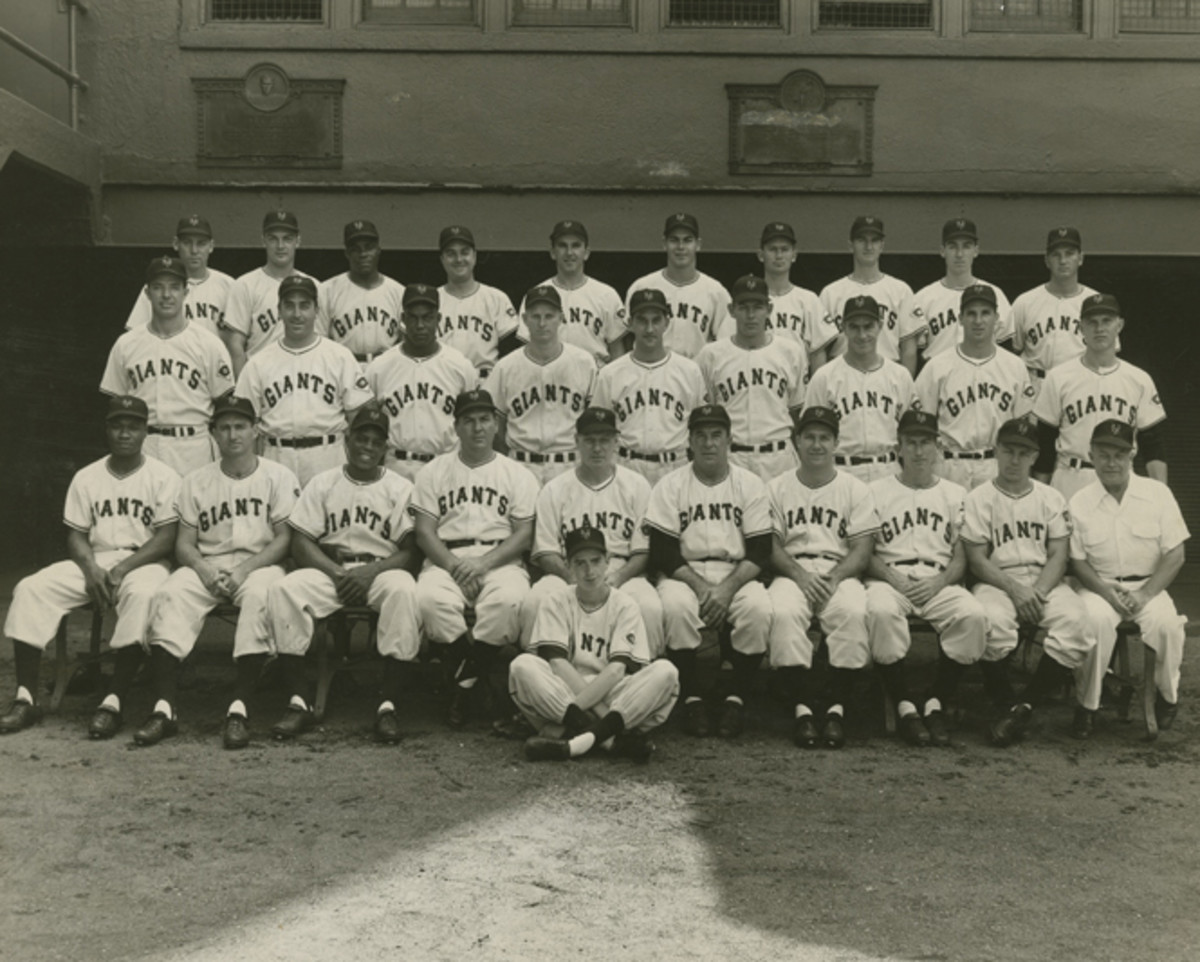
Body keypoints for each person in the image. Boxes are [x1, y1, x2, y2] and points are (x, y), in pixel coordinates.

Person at [0, 397, 178, 737]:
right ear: (107, 429)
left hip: (144, 561)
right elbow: (76, 536)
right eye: (117, 425)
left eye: (133, 426)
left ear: (145, 432)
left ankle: (113, 702)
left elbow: (166, 538)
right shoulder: (87, 477)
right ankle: (25, 699)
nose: (124, 433)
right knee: (30, 588)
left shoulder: (164, 476)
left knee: (142, 595)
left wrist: (123, 568)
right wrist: (89, 568)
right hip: (96, 559)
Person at [133, 396, 298, 749]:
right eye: (224, 427)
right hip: (207, 564)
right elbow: (184, 544)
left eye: (240, 426)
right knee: (170, 593)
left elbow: (284, 540)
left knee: (260, 595)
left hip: (260, 565)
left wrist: (244, 570)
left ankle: (239, 708)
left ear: (256, 431)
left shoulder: (278, 476)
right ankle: (164, 708)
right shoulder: (195, 480)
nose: (233, 434)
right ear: (213, 434)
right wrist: (205, 571)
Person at [265, 406, 421, 744]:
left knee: (405, 592)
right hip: (330, 570)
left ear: (385, 449)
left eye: (375, 442)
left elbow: (411, 552)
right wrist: (336, 573)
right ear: (347, 441)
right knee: (285, 589)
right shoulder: (323, 483)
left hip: (381, 570)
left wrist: (370, 573)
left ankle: (388, 704)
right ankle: (298, 700)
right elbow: (301, 542)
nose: (367, 447)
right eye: (360, 438)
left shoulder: (400, 487)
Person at [961, 418, 1094, 746]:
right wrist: (1016, 590)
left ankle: (1023, 705)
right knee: (988, 621)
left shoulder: (1051, 497)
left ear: (1035, 457)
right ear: (996, 451)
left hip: (1043, 582)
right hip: (997, 581)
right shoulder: (978, 498)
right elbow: (977, 559)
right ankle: (1006, 701)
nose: (1015, 459)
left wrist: (1037, 592)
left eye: (1024, 452)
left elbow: (1059, 555)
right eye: (1008, 451)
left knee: (1077, 622)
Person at [644, 404, 773, 739]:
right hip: (685, 572)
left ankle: (736, 696)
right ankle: (692, 696)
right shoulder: (670, 485)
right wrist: (702, 588)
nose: (709, 443)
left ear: (730, 439)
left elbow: (761, 550)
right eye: (700, 435)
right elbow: (662, 550)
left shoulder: (750, 484)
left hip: (737, 572)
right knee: (674, 606)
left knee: (758, 609)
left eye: (716, 435)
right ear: (689, 441)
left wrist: (726, 589)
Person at [411, 389, 537, 727]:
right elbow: (424, 532)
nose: (477, 428)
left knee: (510, 601)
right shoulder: (434, 471)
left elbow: (523, 534)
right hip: (446, 558)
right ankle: (477, 679)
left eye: (484, 419)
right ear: (456, 427)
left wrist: (482, 564)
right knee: (428, 599)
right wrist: (456, 567)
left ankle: (463, 686)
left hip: (499, 559)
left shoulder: (517, 473)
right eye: (468, 420)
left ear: (496, 425)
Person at [865, 410, 986, 747]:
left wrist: (941, 582)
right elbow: (865, 552)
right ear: (898, 448)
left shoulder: (956, 493)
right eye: (911, 443)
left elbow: (961, 555)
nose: (919, 451)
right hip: (890, 578)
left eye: (926, 443)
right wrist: (891, 577)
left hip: (938, 579)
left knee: (973, 615)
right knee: (880, 612)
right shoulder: (875, 491)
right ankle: (904, 704)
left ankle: (935, 701)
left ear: (938, 448)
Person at [513, 525, 680, 763]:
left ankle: (572, 741)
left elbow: (616, 671)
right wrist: (601, 718)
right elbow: (558, 665)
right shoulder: (555, 601)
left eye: (595, 560)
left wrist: (573, 713)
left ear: (608, 562)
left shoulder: (626, 605)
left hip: (608, 696)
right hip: (566, 692)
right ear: (568, 566)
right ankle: (610, 739)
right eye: (579, 563)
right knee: (522, 666)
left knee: (666, 672)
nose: (589, 570)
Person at [1068, 419, 1189, 739]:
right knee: (1091, 621)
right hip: (1100, 586)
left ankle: (1167, 696)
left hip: (1148, 586)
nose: (1111, 463)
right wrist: (1106, 593)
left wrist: (1146, 594)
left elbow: (1176, 555)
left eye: (1119, 455)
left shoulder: (1157, 494)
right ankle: (1087, 705)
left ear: (1132, 455)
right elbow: (1077, 562)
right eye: (1104, 454)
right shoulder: (1079, 501)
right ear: (1090, 455)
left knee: (1167, 626)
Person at [766, 406, 877, 750]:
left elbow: (862, 548)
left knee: (854, 611)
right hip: (792, 569)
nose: (817, 445)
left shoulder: (854, 488)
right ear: (796, 441)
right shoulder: (777, 487)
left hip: (837, 571)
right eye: (810, 437)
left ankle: (835, 709)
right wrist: (799, 575)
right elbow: (770, 545)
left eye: (824, 438)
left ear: (836, 443)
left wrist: (834, 576)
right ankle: (801, 709)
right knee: (782, 612)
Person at [521, 407, 663, 657]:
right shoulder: (555, 489)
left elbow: (643, 552)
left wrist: (618, 577)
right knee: (537, 601)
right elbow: (546, 551)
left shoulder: (637, 486)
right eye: (589, 441)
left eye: (605, 440)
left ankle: (639, 676)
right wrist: (571, 576)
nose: (597, 448)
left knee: (649, 607)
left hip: (621, 572)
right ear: (576, 442)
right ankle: (544, 674)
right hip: (569, 572)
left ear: (616, 442)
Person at [100, 255, 236, 476]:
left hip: (194, 447)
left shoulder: (209, 344)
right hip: (145, 445)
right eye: (158, 287)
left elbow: (224, 404)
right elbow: (116, 403)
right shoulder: (126, 344)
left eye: (174, 287)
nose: (166, 295)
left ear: (186, 292)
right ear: (147, 293)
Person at [235, 275, 373, 486]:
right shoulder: (258, 363)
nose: (297, 314)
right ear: (279, 310)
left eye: (304, 306)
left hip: (327, 456)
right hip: (276, 456)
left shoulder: (339, 356)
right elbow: (243, 424)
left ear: (317, 310)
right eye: (289, 306)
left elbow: (360, 418)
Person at [1033, 293, 1166, 502]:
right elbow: (1046, 443)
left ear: (1119, 325)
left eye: (1107, 321)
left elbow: (1153, 446)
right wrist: (1038, 497)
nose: (1099, 328)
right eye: (1092, 322)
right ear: (1081, 327)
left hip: (1122, 478)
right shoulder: (1058, 377)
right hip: (1071, 477)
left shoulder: (1139, 379)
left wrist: (1162, 498)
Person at [914, 283, 1034, 490]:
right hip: (949, 465)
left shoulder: (1015, 367)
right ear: (960, 318)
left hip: (996, 466)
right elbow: (921, 426)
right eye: (971, 314)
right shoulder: (937, 367)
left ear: (997, 318)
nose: (978, 321)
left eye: (985, 313)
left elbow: (1024, 430)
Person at [591, 288, 706, 486]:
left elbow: (701, 428)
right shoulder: (611, 373)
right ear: (630, 323)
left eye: (656, 320)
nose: (650, 328)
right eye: (642, 320)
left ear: (666, 323)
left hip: (675, 468)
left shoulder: (689, 371)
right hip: (626, 466)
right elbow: (598, 430)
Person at [365, 283, 479, 482]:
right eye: (413, 317)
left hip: (447, 466)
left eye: (427, 317)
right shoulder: (379, 367)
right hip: (396, 467)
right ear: (403, 319)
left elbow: (473, 422)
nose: (420, 325)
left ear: (438, 319)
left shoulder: (460, 366)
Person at [697, 274, 806, 482]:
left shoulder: (791, 351)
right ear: (731, 310)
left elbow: (796, 411)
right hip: (731, 457)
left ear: (769, 309)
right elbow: (706, 411)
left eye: (757, 307)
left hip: (779, 458)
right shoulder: (711, 355)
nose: (750, 315)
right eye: (743, 307)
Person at [488, 284, 597, 486]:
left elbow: (594, 422)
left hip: (570, 464)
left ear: (561, 318)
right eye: (535, 316)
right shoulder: (506, 366)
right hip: (520, 465)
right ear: (525, 320)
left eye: (549, 316)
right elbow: (496, 425)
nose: (542, 323)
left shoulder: (583, 362)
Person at [803, 294, 917, 484]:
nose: (862, 335)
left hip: (888, 469)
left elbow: (913, 433)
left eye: (868, 326)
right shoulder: (824, 377)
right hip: (841, 471)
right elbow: (808, 433)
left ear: (880, 326)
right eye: (854, 327)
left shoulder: (900, 375)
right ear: (844, 328)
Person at [719, 221, 838, 371]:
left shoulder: (808, 300)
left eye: (785, 249)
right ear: (761, 255)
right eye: (772, 249)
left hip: (797, 383)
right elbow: (727, 346)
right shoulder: (746, 300)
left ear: (794, 255)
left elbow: (818, 355)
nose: (779, 255)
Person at [819, 215, 925, 377]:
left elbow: (909, 350)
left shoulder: (901, 290)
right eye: (862, 240)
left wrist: (906, 387)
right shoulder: (830, 293)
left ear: (882, 246)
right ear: (850, 245)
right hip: (841, 376)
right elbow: (821, 349)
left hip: (889, 374)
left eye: (874, 240)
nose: (868, 246)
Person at [517, 220, 627, 364]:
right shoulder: (536, 295)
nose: (569, 252)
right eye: (562, 246)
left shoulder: (606, 294)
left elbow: (617, 351)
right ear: (553, 252)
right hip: (551, 377)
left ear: (586, 252)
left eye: (576, 245)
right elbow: (526, 350)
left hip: (596, 377)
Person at [223, 210, 317, 376]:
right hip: (262, 375)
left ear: (298, 241)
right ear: (263, 241)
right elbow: (236, 346)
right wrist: (244, 390)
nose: (280, 246)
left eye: (287, 239)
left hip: (305, 374)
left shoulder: (314, 286)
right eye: (273, 239)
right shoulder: (245, 285)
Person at [624, 213, 730, 359]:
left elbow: (726, 344)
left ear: (698, 244)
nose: (680, 247)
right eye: (674, 240)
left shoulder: (716, 291)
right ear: (664, 243)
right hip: (650, 371)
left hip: (696, 372)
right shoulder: (642, 286)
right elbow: (627, 338)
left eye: (687, 240)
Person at [1010, 226, 1098, 394]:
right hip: (1036, 384)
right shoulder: (1025, 302)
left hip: (1080, 385)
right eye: (1056, 255)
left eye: (1069, 253)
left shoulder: (1095, 301)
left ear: (1081, 258)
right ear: (1046, 260)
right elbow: (1011, 352)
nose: (1063, 260)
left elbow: (1106, 355)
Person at [912, 218, 1014, 363]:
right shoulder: (923, 298)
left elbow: (1006, 350)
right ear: (942, 251)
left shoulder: (996, 294)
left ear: (976, 251)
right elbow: (916, 353)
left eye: (966, 246)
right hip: (939, 377)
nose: (959, 254)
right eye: (953, 246)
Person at [124, 215, 234, 337]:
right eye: (187, 243)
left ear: (211, 246)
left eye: (201, 243)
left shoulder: (229, 285)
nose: (194, 250)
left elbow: (239, 340)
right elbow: (135, 335)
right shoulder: (158, 287)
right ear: (176, 244)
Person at [436, 225, 520, 378]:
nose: (459, 259)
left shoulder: (497, 298)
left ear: (474, 256)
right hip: (442, 380)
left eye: (465, 252)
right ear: (442, 259)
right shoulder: (432, 299)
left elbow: (512, 353)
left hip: (485, 381)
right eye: (451, 254)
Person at [318, 219, 405, 366]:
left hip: (387, 366)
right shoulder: (327, 290)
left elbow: (407, 342)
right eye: (355, 249)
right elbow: (319, 341)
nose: (363, 254)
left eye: (369, 247)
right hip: (343, 366)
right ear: (346, 253)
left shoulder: (398, 292)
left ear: (378, 250)